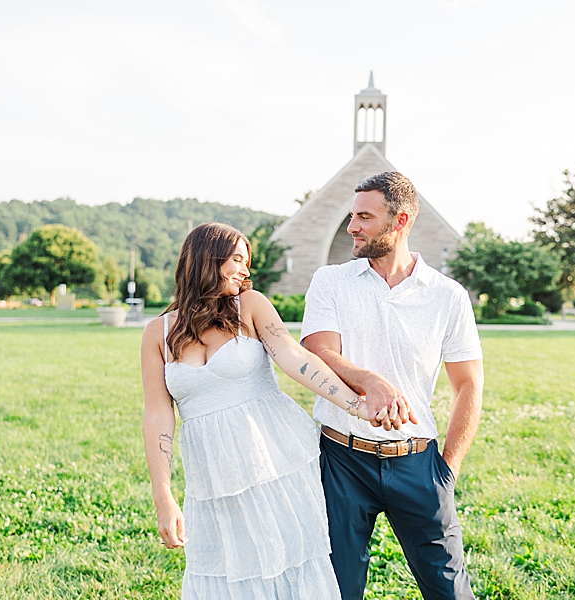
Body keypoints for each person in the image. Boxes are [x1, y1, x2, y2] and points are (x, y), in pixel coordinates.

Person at [140, 222, 410, 599]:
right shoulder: (158, 333)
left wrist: (357, 404)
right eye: (237, 259)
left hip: (276, 461)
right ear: (206, 258)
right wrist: (163, 496)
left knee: (288, 564)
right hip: (213, 476)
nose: (246, 270)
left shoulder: (249, 306)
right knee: (225, 574)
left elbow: (294, 357)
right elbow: (157, 416)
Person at [302, 171, 485, 599]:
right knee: (335, 591)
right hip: (341, 461)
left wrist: (448, 470)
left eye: (364, 217)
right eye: (352, 216)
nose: (352, 227)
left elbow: (469, 385)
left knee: (450, 592)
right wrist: (370, 381)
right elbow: (319, 354)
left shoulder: (448, 296)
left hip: (418, 463)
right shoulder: (329, 282)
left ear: (400, 221)